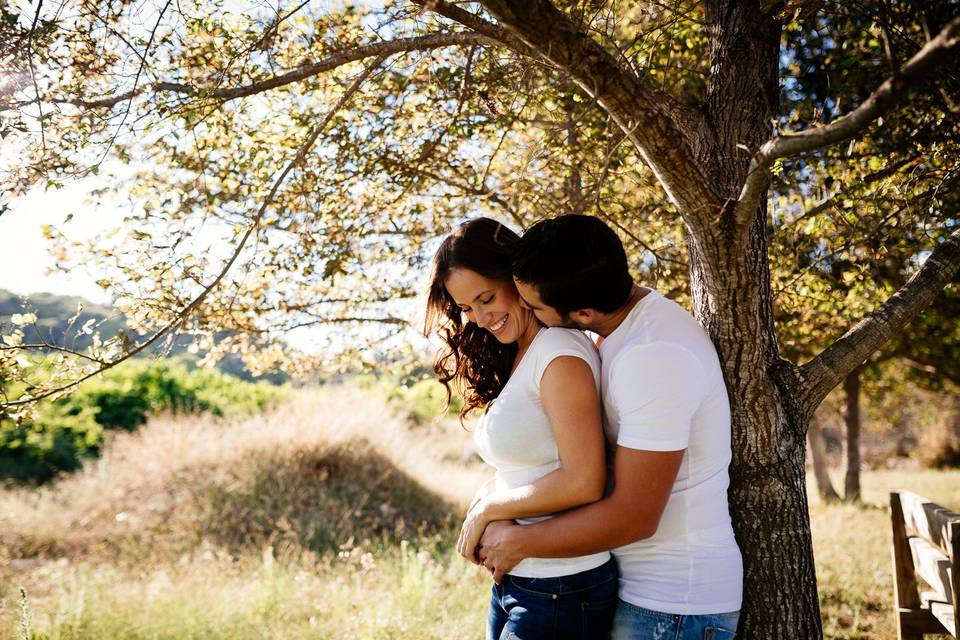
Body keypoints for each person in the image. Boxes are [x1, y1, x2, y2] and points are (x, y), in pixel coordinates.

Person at [476, 214, 743, 640]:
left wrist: (518, 542)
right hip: (634, 590)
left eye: (536, 307)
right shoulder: (616, 327)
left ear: (582, 312)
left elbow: (635, 517)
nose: (527, 312)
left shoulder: (653, 356)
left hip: (673, 607)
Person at [423, 217, 618, 640]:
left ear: (517, 276)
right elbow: (532, 465)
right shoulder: (521, 354)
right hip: (524, 582)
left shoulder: (560, 354)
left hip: (562, 588)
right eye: (466, 308)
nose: (478, 318)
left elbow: (585, 480)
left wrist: (488, 512)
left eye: (486, 297)